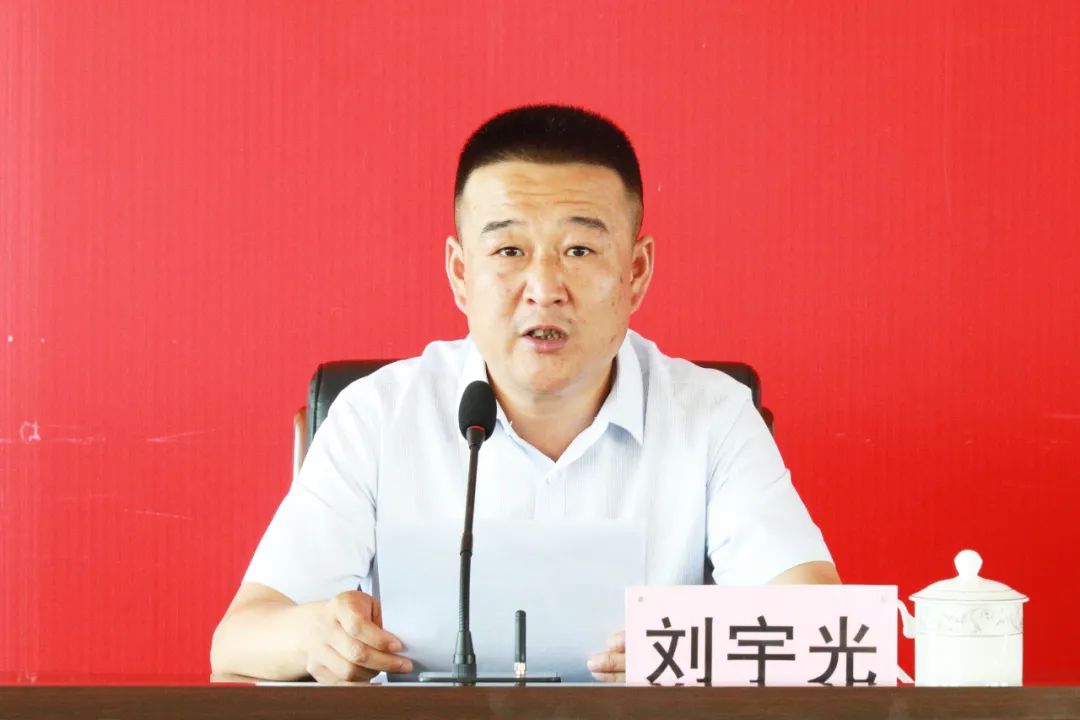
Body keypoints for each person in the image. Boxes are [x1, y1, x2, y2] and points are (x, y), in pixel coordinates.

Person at [210, 104, 840, 684]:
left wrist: (689, 649)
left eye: (580, 249)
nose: (544, 288)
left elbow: (824, 631)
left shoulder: (712, 415)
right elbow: (237, 643)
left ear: (636, 272)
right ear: (461, 273)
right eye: (509, 249)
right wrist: (317, 638)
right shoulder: (377, 415)